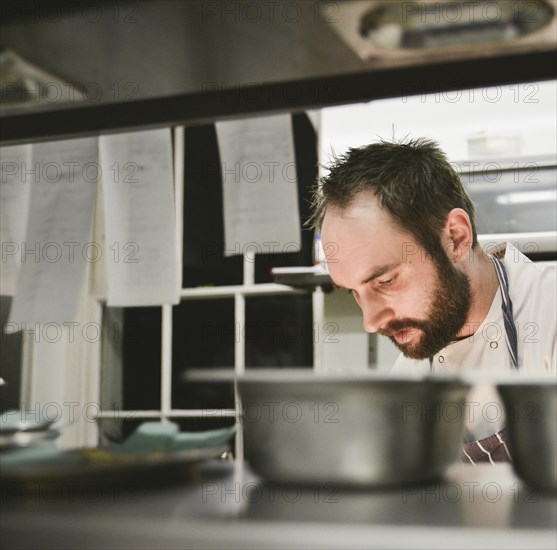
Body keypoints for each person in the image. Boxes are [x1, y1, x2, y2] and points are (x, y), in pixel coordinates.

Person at [310, 137, 556, 464]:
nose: (370, 321)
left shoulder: (548, 313)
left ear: (455, 238)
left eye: (385, 280)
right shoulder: (409, 378)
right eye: (355, 292)